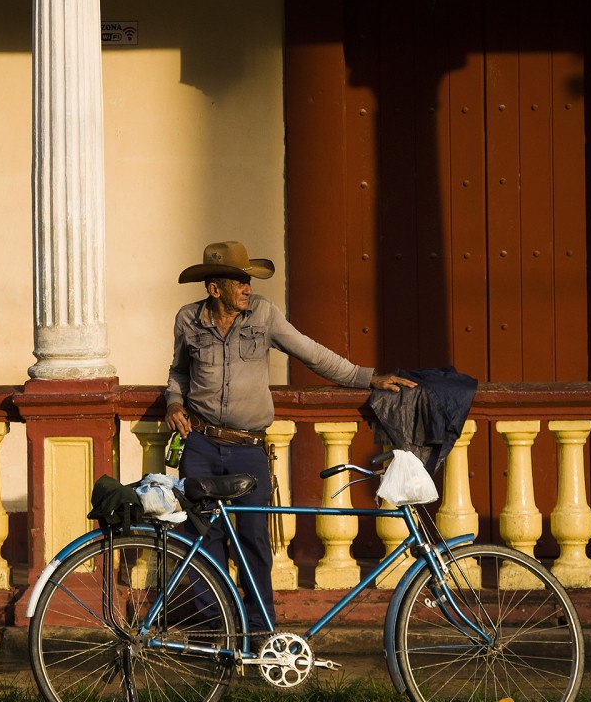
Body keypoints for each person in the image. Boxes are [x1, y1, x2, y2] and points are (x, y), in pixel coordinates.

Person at [164, 240, 415, 637]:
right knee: (201, 540)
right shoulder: (188, 320)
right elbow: (178, 371)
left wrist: (369, 378)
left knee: (254, 542)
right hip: (199, 444)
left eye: (249, 282)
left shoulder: (263, 315)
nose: (249, 288)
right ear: (215, 290)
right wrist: (174, 404)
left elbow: (314, 354)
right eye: (240, 282)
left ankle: (261, 633)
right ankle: (218, 632)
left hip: (248, 449)